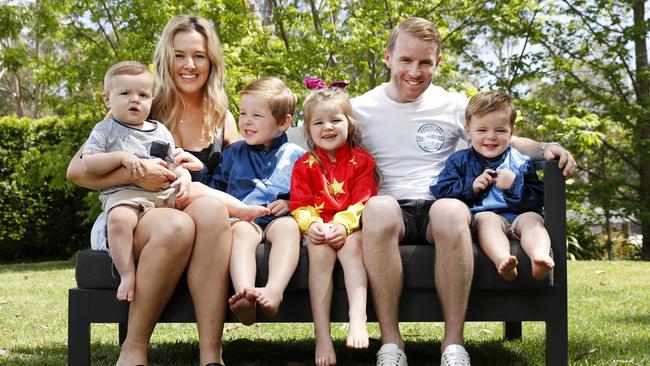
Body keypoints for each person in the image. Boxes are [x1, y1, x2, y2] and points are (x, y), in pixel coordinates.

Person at [351, 17, 576, 366]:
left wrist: (547, 147)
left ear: (437, 62)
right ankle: (391, 344)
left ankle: (453, 345)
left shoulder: (453, 104)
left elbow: (500, 136)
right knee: (378, 208)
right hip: (389, 207)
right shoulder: (360, 109)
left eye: (425, 62)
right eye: (406, 60)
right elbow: (307, 139)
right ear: (388, 58)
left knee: (454, 210)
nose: (415, 71)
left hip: (440, 204)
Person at [67, 15, 239, 366]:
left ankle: (211, 354)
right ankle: (134, 348)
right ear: (165, 58)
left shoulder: (221, 114)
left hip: (191, 207)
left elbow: (242, 175)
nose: (189, 65)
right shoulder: (142, 103)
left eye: (199, 56)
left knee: (210, 211)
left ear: (212, 61)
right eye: (179, 55)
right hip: (138, 211)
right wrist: (137, 176)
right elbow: (77, 171)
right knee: (175, 225)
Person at [82, 61, 193, 303]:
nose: (135, 100)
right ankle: (127, 274)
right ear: (107, 100)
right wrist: (121, 157)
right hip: (124, 193)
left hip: (161, 194)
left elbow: (171, 162)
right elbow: (89, 162)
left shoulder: (160, 131)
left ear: (152, 100)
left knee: (199, 196)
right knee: (120, 219)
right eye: (125, 93)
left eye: (143, 95)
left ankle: (236, 213)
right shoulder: (105, 129)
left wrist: (183, 173)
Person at [290, 84, 380, 366]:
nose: (327, 127)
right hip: (319, 228)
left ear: (349, 125)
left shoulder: (361, 161)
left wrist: (343, 224)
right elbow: (300, 203)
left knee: (353, 248)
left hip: (351, 227)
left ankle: (358, 317)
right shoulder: (304, 164)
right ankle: (323, 336)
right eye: (318, 122)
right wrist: (312, 225)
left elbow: (365, 199)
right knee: (319, 253)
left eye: (335, 120)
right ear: (308, 129)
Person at [208, 76, 304, 326]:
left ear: (283, 122)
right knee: (241, 233)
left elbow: (312, 193)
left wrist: (292, 203)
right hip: (243, 218)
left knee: (288, 228)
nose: (246, 121)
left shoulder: (297, 156)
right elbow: (215, 188)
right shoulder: (233, 153)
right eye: (242, 113)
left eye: (257, 116)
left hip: (278, 218)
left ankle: (274, 290)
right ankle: (245, 294)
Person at [430, 90, 555, 282]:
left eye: (500, 130)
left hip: (519, 217)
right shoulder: (459, 161)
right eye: (482, 130)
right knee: (486, 219)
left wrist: (515, 184)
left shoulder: (521, 162)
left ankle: (539, 256)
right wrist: (471, 186)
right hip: (484, 219)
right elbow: (442, 191)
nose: (491, 137)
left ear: (512, 131)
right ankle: (503, 260)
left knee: (533, 219)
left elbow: (537, 199)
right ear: (468, 131)